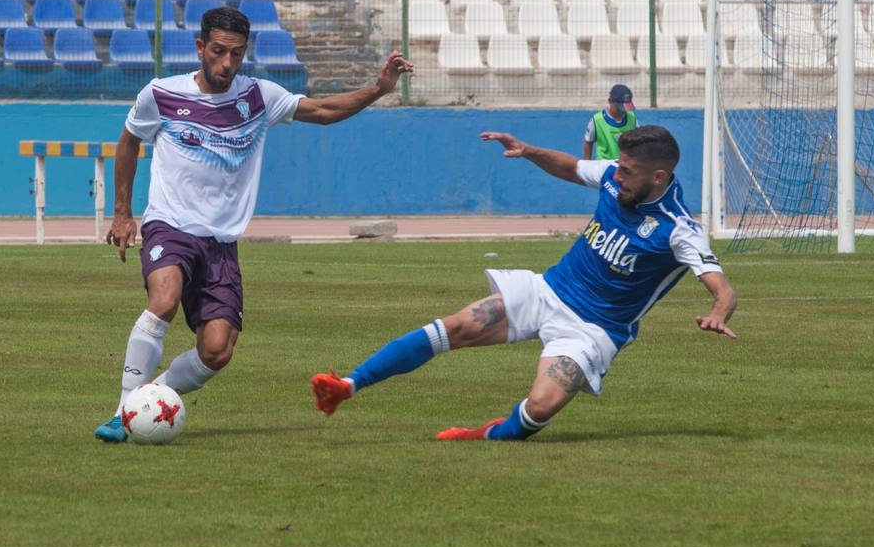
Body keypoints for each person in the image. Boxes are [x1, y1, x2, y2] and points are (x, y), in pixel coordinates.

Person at [95, 7, 413, 442]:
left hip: (221, 243)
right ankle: (122, 411)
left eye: (237, 54)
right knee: (164, 299)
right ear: (200, 47)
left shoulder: (259, 97)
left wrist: (378, 88)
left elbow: (321, 109)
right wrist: (122, 212)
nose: (227, 63)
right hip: (169, 226)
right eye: (220, 52)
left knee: (217, 350)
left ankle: (153, 397)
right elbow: (130, 139)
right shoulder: (162, 94)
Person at [311, 125, 738, 441]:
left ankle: (483, 435)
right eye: (620, 168)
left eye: (628, 171)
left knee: (540, 408)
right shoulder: (613, 176)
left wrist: (718, 313)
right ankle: (347, 385)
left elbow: (721, 286)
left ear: (658, 177)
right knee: (456, 325)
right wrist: (529, 150)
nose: (618, 176)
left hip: (593, 329)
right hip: (547, 291)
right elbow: (571, 167)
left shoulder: (679, 229)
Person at [582, 83, 637, 160]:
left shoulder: (632, 117)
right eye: (620, 107)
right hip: (604, 166)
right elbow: (588, 141)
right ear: (610, 101)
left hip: (625, 166)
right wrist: (587, 163)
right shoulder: (597, 120)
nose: (623, 111)